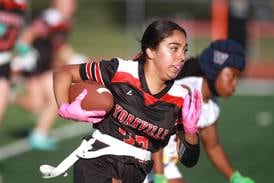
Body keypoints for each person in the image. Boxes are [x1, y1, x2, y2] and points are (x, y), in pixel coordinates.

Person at [50, 20, 202, 183]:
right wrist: (64, 107)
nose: (181, 57)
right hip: (99, 160)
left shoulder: (180, 97)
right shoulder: (120, 71)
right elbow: (63, 72)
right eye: (174, 48)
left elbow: (189, 160)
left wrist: (191, 131)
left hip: (137, 172)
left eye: (184, 50)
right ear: (150, 51)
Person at [145, 39, 255, 183]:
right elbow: (155, 132)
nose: (235, 83)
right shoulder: (182, 91)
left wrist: (235, 177)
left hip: (165, 165)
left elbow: (213, 146)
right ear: (215, 70)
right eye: (232, 75)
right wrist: (159, 175)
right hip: (141, 158)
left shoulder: (212, 107)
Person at [11, 0, 77, 150]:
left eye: (72, 4)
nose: (71, 7)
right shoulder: (49, 18)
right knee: (35, 104)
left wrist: (73, 58)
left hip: (46, 68)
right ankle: (10, 96)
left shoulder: (65, 23)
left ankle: (39, 134)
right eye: (67, 4)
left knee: (54, 97)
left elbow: (59, 45)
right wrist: (25, 50)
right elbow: (28, 34)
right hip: (34, 67)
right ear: (57, 4)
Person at [0, 0, 27, 126]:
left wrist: (22, 48)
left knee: (3, 97)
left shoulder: (21, 6)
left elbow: (16, 31)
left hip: (4, 58)